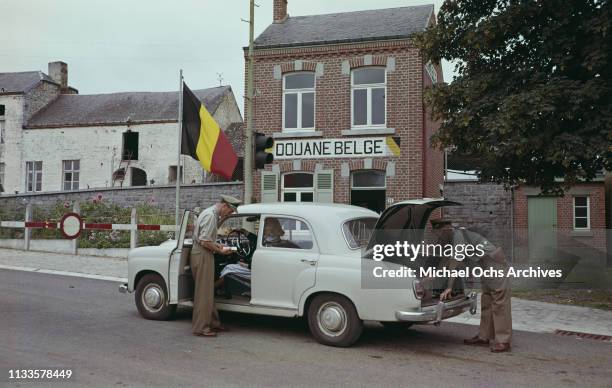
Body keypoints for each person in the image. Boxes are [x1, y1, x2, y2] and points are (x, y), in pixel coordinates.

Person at [431, 219, 512, 353]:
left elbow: (455, 260)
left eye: (438, 232)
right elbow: (448, 259)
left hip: (494, 263)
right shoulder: (453, 237)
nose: (438, 236)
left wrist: (449, 287)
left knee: (499, 301)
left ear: (445, 228)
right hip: (485, 264)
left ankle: (503, 341)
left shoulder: (457, 236)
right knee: (487, 300)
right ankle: (483, 337)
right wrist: (434, 275)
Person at [190, 194, 241, 337]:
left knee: (208, 292)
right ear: (225, 206)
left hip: (202, 253)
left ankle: (213, 323)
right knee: (203, 294)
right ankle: (201, 327)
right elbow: (205, 241)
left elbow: (206, 239)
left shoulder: (210, 214)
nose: (229, 214)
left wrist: (216, 245)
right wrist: (220, 250)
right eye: (230, 212)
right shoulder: (211, 216)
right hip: (202, 254)